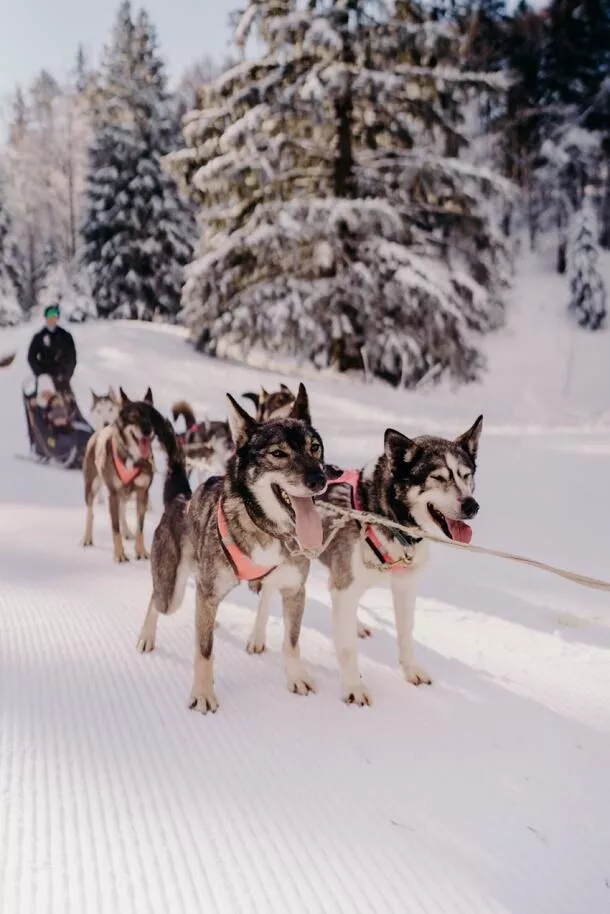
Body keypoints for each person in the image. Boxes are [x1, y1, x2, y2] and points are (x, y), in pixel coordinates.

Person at [27, 304, 77, 394]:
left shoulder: (66, 336)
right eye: (49, 315)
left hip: (62, 377)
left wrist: (66, 374)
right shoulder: (39, 336)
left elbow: (72, 357)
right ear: (45, 317)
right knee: (42, 404)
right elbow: (31, 357)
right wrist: (40, 374)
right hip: (45, 378)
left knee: (69, 404)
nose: (52, 318)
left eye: (54, 316)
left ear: (57, 318)